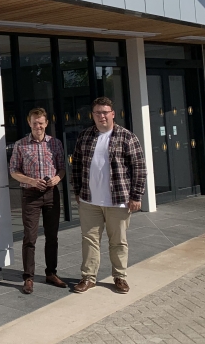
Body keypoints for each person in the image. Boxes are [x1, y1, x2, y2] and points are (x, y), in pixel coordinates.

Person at [70, 97, 146, 294]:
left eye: (105, 112)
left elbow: (139, 168)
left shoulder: (127, 137)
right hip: (89, 200)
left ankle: (120, 277)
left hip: (118, 200)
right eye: (97, 112)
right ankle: (88, 277)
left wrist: (136, 196)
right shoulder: (85, 136)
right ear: (92, 115)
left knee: (118, 241)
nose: (101, 116)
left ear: (113, 114)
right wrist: (77, 190)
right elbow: (76, 164)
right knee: (89, 240)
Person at [9, 108, 68, 294]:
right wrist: (31, 181)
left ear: (46, 123)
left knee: (52, 236)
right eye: (35, 122)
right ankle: (28, 277)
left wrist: (57, 179)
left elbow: (62, 168)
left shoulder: (55, 144)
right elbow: (13, 171)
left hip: (51, 194)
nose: (38, 126)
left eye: (41, 122)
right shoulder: (20, 145)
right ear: (29, 123)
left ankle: (51, 273)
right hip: (31, 195)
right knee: (30, 237)